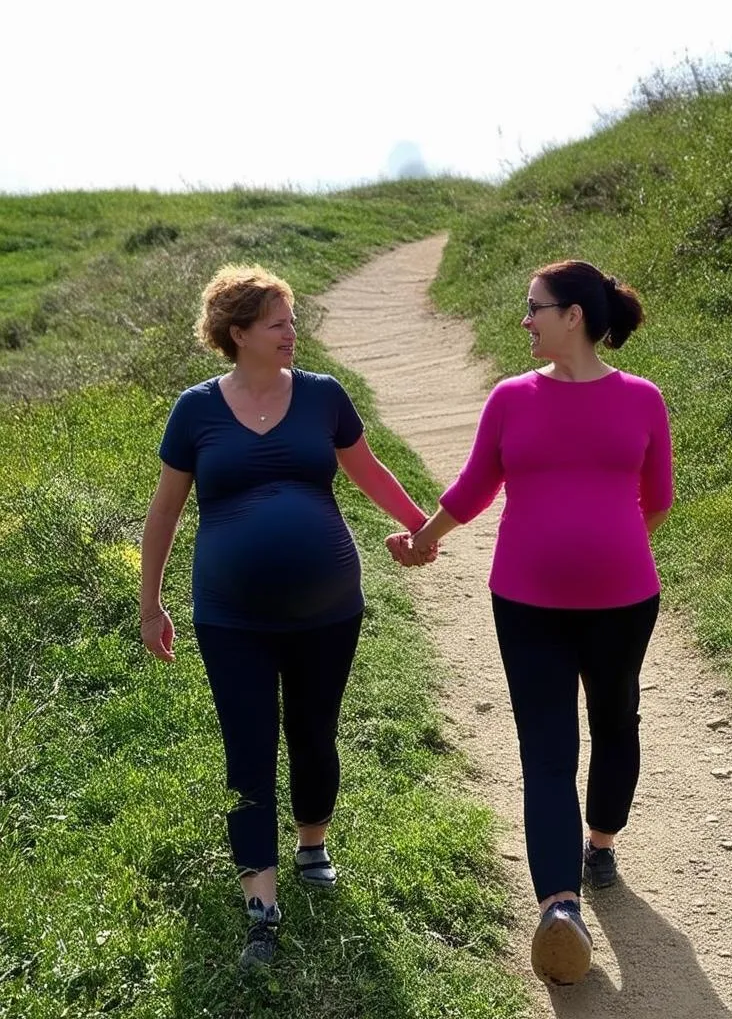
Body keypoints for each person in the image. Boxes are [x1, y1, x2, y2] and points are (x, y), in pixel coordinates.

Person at [387, 260, 673, 987]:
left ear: (573, 315)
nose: (526, 319)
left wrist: (605, 546)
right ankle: (560, 908)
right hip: (526, 603)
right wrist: (423, 536)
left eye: (534, 308)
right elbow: (476, 486)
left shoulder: (644, 399)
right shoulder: (511, 399)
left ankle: (600, 842)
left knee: (615, 720)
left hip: (623, 604)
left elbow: (659, 500)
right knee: (546, 749)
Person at [140, 264, 435, 969]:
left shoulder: (324, 399)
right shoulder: (196, 410)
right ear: (238, 333)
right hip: (229, 615)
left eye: (292, 320)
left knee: (313, 731)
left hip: (328, 609)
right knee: (248, 745)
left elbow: (371, 472)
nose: (292, 334)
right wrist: (149, 603)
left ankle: (312, 845)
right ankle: (262, 908)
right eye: (279, 323)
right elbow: (165, 512)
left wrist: (423, 528)